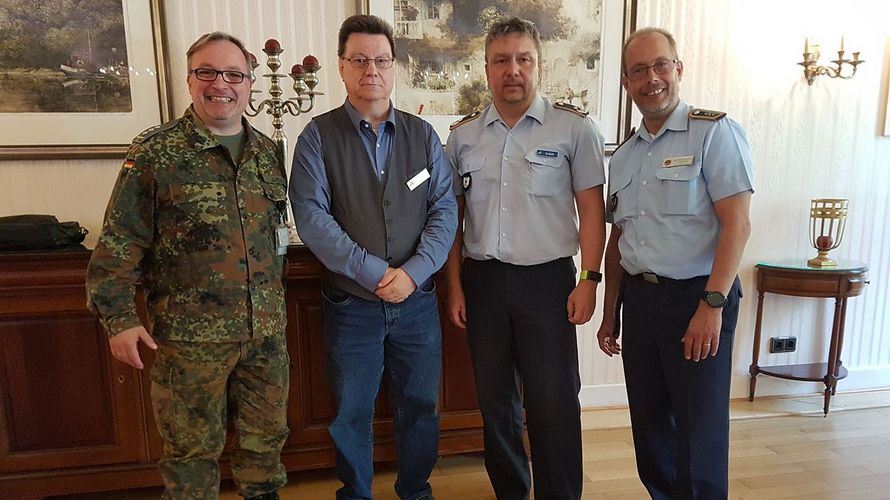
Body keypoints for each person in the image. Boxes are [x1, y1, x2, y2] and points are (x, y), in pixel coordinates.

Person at [86, 32, 290, 500]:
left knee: (265, 452)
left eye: (234, 74)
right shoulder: (156, 152)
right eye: (208, 72)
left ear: (250, 82)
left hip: (265, 339)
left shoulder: (265, 151)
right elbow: (119, 244)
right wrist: (119, 319)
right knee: (191, 461)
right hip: (190, 343)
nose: (221, 84)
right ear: (190, 79)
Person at [289, 14, 457, 500]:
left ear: (395, 68)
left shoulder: (423, 136)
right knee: (351, 412)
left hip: (417, 303)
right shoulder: (317, 138)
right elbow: (313, 219)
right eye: (359, 60)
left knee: (421, 406)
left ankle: (415, 491)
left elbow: (444, 212)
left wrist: (414, 273)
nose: (371, 71)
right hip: (351, 306)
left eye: (381, 60)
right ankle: (356, 494)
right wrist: (376, 272)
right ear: (341, 68)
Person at [444, 17, 606, 500]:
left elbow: (592, 212)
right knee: (496, 404)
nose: (512, 70)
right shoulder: (462, 137)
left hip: (549, 284)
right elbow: (451, 219)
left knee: (553, 402)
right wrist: (454, 286)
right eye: (501, 60)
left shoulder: (574, 129)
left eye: (523, 59)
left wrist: (589, 279)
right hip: (484, 283)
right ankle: (511, 491)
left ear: (540, 65)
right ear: (487, 68)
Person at [596, 27, 754, 499]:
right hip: (641, 303)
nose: (652, 79)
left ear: (678, 69)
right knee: (650, 425)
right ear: (627, 82)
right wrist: (609, 314)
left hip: (697, 296)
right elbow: (618, 238)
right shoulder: (622, 156)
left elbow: (738, 224)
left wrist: (713, 303)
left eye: (660, 65)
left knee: (699, 429)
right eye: (639, 71)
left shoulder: (714, 132)